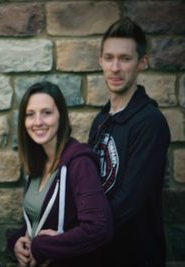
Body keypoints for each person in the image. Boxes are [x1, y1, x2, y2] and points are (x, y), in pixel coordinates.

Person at [88, 17, 171, 267]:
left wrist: (78, 233)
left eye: (125, 59)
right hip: (100, 254)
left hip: (136, 256)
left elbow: (128, 202)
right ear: (100, 61)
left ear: (141, 63)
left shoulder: (150, 122)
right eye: (109, 58)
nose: (115, 68)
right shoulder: (100, 121)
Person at [7, 81, 113, 267]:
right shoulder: (37, 164)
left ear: (61, 116)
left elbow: (99, 228)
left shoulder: (80, 163)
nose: (38, 122)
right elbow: (38, 219)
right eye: (30, 115)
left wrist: (43, 247)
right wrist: (16, 241)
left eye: (47, 113)